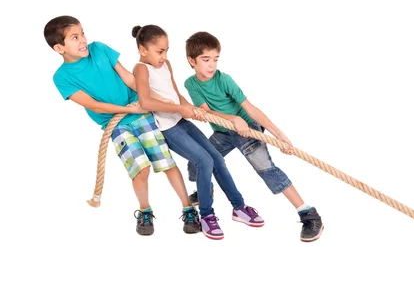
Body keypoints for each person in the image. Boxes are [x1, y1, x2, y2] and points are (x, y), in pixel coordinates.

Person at [45, 16, 200, 236]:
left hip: (142, 114)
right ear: (59, 48)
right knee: (140, 169)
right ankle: (145, 210)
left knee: (166, 162)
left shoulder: (99, 49)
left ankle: (188, 208)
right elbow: (94, 106)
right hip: (117, 124)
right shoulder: (61, 77)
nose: (83, 40)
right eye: (75, 37)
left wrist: (155, 98)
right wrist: (129, 110)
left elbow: (129, 78)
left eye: (82, 33)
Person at [183, 31, 324, 242]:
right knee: (197, 161)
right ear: (191, 61)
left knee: (267, 170)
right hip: (223, 131)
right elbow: (205, 111)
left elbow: (250, 109)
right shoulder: (190, 84)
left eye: (215, 59)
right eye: (206, 60)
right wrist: (231, 119)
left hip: (246, 129)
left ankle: (308, 214)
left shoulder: (224, 80)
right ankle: (206, 189)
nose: (212, 65)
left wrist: (280, 135)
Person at [131, 24, 264, 240]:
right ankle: (207, 215)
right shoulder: (141, 68)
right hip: (167, 127)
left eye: (166, 50)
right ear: (142, 49)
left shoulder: (167, 65)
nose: (164, 56)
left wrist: (188, 108)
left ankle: (239, 207)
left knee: (217, 159)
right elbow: (145, 101)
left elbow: (175, 92)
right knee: (204, 161)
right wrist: (179, 108)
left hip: (181, 120)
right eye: (159, 51)